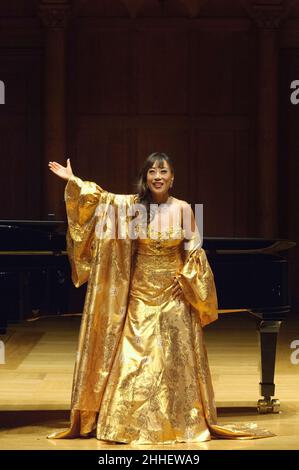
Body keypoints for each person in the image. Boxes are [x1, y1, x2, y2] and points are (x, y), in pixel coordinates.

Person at [47, 152, 274, 444]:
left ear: (172, 177)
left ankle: (178, 424)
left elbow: (194, 248)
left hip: (174, 294)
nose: (157, 176)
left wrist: (189, 281)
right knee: (133, 360)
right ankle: (127, 425)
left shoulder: (183, 209)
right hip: (140, 294)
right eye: (152, 171)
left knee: (172, 361)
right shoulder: (132, 208)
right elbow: (103, 200)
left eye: (163, 171)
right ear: (145, 177)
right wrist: (74, 181)